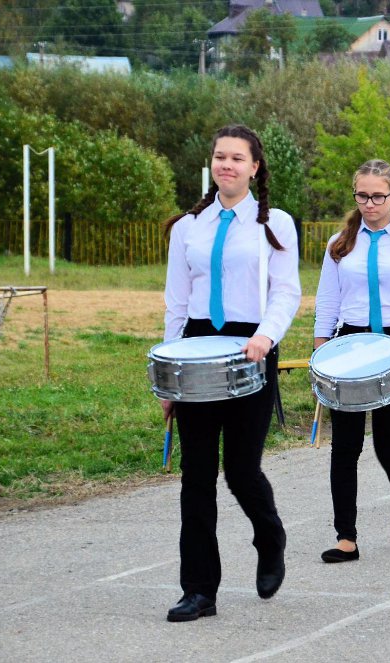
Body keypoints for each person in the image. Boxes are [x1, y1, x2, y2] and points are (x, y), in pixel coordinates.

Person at [160, 124, 301, 622]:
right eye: (220, 156)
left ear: (254, 168)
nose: (227, 165)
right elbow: (177, 302)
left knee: (241, 470)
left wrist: (266, 336)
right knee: (196, 475)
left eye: (238, 158)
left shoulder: (275, 224)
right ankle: (199, 590)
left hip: (251, 348)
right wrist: (170, 375)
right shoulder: (188, 227)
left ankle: (270, 535)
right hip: (197, 349)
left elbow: (286, 291)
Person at [313, 160, 390, 562]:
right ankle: (345, 537)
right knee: (344, 446)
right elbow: (327, 302)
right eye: (362, 196)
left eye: (378, 196)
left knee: (388, 444)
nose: (369, 204)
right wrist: (320, 352)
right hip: (349, 346)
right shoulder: (339, 244)